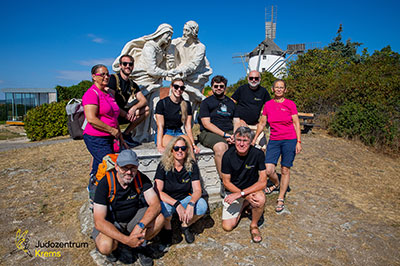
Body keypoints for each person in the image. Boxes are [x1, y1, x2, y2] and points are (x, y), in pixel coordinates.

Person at [92, 149, 165, 265]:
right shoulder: (105, 183)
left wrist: (139, 227)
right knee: (105, 247)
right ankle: (116, 246)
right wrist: (126, 240)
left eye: (133, 168)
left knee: (160, 219)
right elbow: (99, 221)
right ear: (116, 167)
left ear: (137, 167)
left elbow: (155, 205)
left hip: (134, 219)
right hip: (113, 222)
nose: (129, 172)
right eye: (124, 168)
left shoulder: (141, 179)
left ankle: (139, 245)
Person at [112, 24, 177, 143]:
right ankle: (138, 135)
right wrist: (169, 72)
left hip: (155, 81)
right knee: (142, 109)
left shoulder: (162, 50)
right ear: (160, 34)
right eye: (168, 35)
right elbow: (151, 69)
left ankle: (153, 134)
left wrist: (170, 63)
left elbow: (162, 68)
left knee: (155, 107)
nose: (169, 39)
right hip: (144, 79)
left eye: (170, 36)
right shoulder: (149, 46)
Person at [253, 79, 302, 213]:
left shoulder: (290, 104)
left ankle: (281, 197)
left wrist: (298, 141)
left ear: (285, 90)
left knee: (285, 169)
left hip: (289, 140)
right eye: (277, 87)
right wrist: (255, 138)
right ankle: (276, 183)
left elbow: (296, 123)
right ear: (273, 89)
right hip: (274, 140)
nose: (279, 89)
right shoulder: (268, 105)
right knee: (268, 169)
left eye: (281, 87)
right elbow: (262, 123)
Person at [82, 64, 128, 202]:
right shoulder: (91, 94)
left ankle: (94, 191)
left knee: (99, 166)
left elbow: (113, 117)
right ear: (94, 76)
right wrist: (111, 130)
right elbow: (91, 119)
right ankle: (100, 195)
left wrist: (120, 136)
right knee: (108, 166)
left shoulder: (108, 94)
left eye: (107, 74)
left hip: (111, 137)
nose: (106, 77)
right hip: (96, 137)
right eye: (102, 74)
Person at [154, 136, 208, 245]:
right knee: (164, 210)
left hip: (185, 197)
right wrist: (176, 204)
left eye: (183, 148)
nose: (180, 151)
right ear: (171, 150)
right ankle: (167, 228)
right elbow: (158, 191)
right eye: (176, 148)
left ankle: (185, 225)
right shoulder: (163, 165)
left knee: (202, 206)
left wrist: (191, 204)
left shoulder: (191, 165)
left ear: (187, 150)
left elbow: (197, 190)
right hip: (169, 199)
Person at [221, 126, 267, 243]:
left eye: (245, 140)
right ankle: (244, 204)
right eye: (239, 140)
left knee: (260, 199)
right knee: (227, 227)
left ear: (251, 142)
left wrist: (243, 193)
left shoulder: (258, 154)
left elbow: (263, 182)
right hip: (233, 191)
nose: (241, 144)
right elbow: (226, 182)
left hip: (250, 190)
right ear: (234, 141)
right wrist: (242, 195)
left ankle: (254, 225)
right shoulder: (227, 155)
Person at [198, 75, 239, 196]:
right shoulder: (206, 103)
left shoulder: (231, 103)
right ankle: (224, 182)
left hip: (230, 132)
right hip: (210, 132)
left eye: (221, 86)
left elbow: (236, 121)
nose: (219, 88)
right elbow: (206, 123)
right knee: (221, 148)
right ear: (212, 87)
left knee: (244, 144)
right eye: (216, 86)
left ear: (225, 87)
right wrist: (225, 135)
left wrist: (235, 136)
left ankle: (241, 179)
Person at [167, 20, 213, 118]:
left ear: (193, 32)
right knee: (175, 105)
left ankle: (186, 130)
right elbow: (166, 48)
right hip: (178, 79)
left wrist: (180, 70)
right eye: (184, 30)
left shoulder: (200, 47)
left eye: (187, 31)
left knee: (189, 109)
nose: (184, 33)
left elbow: (194, 64)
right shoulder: (176, 42)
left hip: (194, 79)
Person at [108, 54, 150, 147]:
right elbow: (111, 102)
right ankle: (117, 139)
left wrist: (134, 108)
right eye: (125, 63)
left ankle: (126, 134)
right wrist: (125, 114)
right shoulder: (113, 79)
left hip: (123, 113)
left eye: (130, 64)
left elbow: (143, 101)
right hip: (112, 114)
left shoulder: (132, 84)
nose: (128, 66)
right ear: (120, 65)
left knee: (146, 109)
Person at [155, 78, 200, 155]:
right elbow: (160, 126)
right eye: (176, 87)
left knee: (190, 149)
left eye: (182, 88)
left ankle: (193, 166)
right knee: (177, 146)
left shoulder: (186, 105)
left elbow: (188, 127)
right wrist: (159, 145)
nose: (179, 89)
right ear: (171, 87)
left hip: (178, 132)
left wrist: (193, 145)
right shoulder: (162, 103)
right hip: (166, 132)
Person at [231, 70, 271, 151]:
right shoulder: (241, 89)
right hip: (241, 123)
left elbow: (269, 107)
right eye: (251, 78)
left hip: (255, 124)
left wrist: (263, 121)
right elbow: (231, 103)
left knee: (263, 146)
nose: (253, 80)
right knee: (244, 145)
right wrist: (238, 119)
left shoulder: (263, 92)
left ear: (259, 79)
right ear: (248, 79)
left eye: (256, 78)